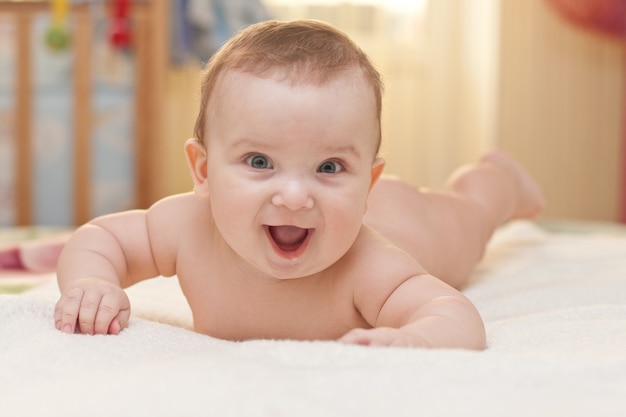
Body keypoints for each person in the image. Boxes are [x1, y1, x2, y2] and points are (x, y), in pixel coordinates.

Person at [54, 19, 544, 349]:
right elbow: (101, 239)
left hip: (410, 225)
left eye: (330, 167)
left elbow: (456, 315)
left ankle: (496, 182)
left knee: (468, 219)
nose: (294, 196)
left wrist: (414, 339)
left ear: (368, 181)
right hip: (362, 209)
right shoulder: (186, 226)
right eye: (260, 161)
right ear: (203, 171)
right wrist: (92, 282)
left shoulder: (368, 264)